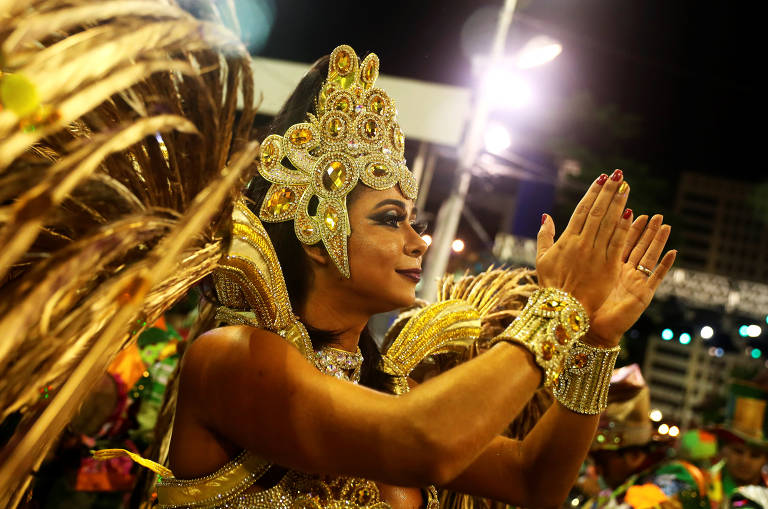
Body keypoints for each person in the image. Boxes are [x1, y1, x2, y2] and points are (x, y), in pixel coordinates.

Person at [0, 2, 676, 507]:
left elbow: (534, 479)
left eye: (414, 220)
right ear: (319, 233)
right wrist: (559, 306)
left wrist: (595, 339)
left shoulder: (389, 394)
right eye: (391, 219)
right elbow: (424, 443)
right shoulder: (236, 356)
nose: (420, 240)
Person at [579, 364, 708, 509]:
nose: (595, 471)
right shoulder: (617, 490)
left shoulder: (677, 477)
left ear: (633, 456)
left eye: (601, 462)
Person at [709, 381, 768, 508]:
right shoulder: (698, 485)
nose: (745, 461)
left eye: (755, 455)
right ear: (723, 449)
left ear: (765, 459)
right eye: (738, 451)